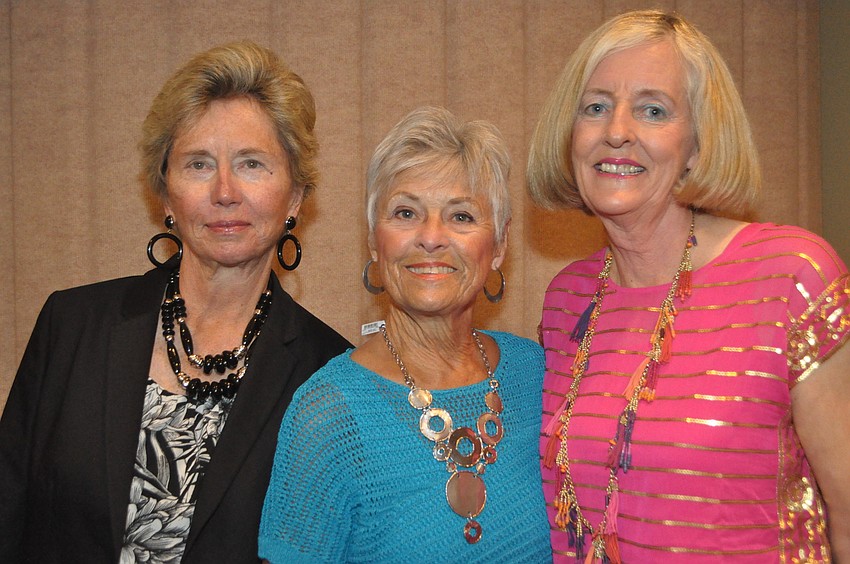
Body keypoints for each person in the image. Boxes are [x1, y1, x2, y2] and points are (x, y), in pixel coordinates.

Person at [0, 41, 350, 563]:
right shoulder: (71, 327)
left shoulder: (330, 378)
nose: (225, 191)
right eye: (198, 164)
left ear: (296, 195)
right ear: (164, 193)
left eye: (252, 164)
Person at [528, 9, 850, 563]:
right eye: (596, 107)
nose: (617, 130)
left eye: (653, 110)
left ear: (699, 145)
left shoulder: (791, 274)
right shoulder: (567, 299)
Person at [258, 106, 550, 562]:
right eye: (406, 212)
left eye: (462, 217)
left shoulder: (537, 375)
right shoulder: (328, 413)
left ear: (500, 246)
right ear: (375, 242)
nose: (431, 237)